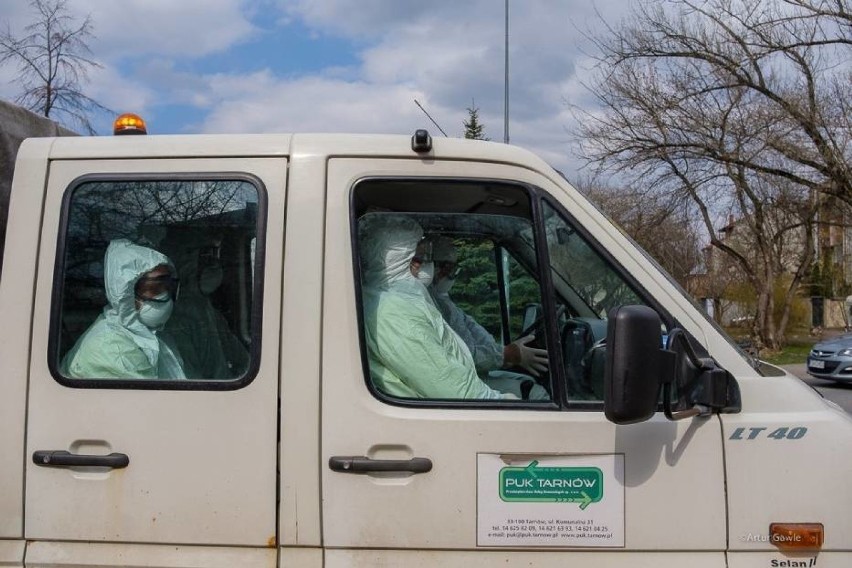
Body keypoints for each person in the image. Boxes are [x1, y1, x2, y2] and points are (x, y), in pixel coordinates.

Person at [359, 213, 516, 400]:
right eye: (417, 257)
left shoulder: (395, 301)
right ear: (395, 261)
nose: (426, 265)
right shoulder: (393, 312)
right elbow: (453, 390)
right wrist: (500, 402)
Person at [428, 236, 550, 399]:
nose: (451, 274)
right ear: (433, 267)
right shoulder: (430, 302)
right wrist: (508, 354)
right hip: (456, 382)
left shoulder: (442, 298)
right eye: (448, 268)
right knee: (536, 394)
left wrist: (502, 352)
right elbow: (465, 355)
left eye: (453, 268)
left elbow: (471, 328)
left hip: (469, 375)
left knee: (525, 380)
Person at [61, 239, 186, 379]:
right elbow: (150, 400)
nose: (165, 294)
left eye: (168, 286)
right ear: (126, 293)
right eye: (155, 287)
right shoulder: (113, 349)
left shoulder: (147, 334)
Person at [165, 238, 249, 379]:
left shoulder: (208, 309)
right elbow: (190, 380)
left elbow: (241, 358)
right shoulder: (176, 318)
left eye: (215, 256)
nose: (215, 265)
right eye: (207, 257)